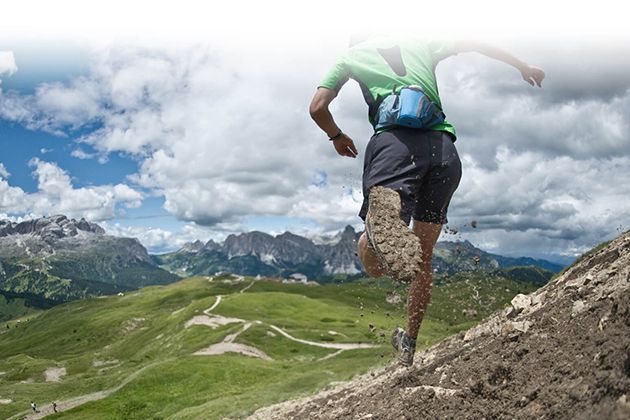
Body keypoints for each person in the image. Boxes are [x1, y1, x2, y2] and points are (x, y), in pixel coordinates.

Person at [309, 35, 544, 366]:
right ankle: (410, 342)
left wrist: (336, 136)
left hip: (394, 147)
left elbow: (317, 107)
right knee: (423, 258)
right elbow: (476, 41)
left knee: (373, 258)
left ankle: (378, 230)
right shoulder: (421, 43)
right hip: (445, 152)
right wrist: (523, 65)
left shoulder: (350, 56)